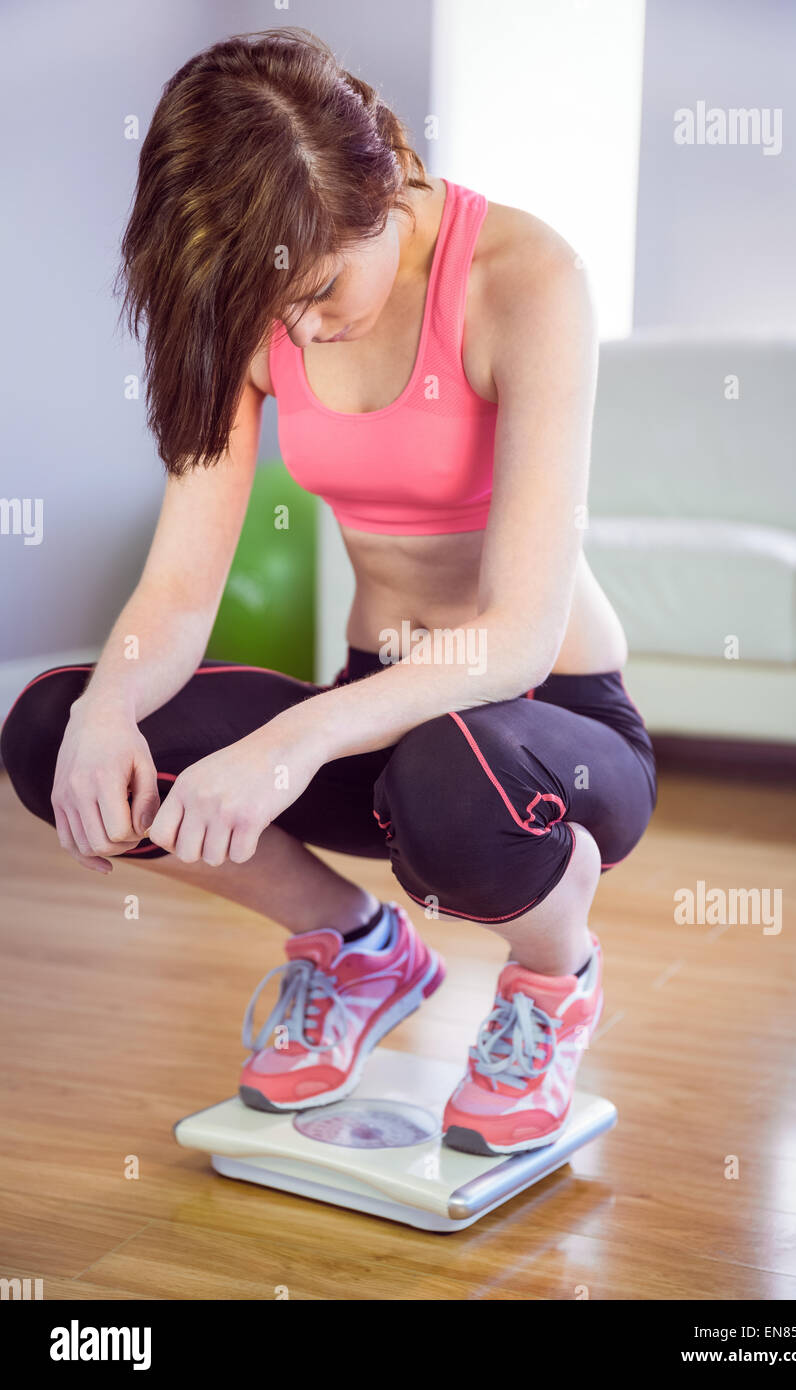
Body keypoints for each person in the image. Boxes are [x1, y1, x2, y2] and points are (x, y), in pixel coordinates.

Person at [0, 27, 656, 1157]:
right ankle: (357, 948)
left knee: (451, 773)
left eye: (319, 290)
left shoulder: (525, 279)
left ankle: (555, 981)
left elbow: (513, 637)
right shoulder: (258, 300)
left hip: (546, 732)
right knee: (56, 729)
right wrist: (109, 712)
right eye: (278, 304)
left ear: (381, 186)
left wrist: (286, 745)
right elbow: (180, 588)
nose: (301, 328)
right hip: (370, 715)